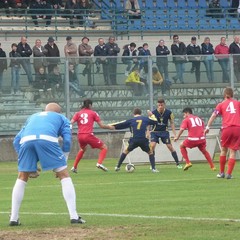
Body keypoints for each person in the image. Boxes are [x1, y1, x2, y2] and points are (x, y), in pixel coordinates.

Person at [9, 103, 86, 226]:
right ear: (59, 112)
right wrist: (63, 162)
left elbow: (16, 141)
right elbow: (67, 140)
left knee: (22, 177)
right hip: (47, 140)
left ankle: (13, 218)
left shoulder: (32, 117)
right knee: (64, 176)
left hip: (26, 141)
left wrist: (29, 164)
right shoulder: (62, 118)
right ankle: (74, 216)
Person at [107, 108, 159, 173]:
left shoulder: (131, 120)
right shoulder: (145, 119)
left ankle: (117, 166)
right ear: (140, 113)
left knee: (126, 151)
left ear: (133, 113)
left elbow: (121, 124)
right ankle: (153, 169)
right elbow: (155, 121)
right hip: (143, 139)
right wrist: (151, 115)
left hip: (134, 139)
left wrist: (110, 125)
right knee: (150, 152)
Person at [204, 87, 240, 179]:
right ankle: (229, 174)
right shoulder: (238, 103)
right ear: (232, 95)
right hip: (237, 129)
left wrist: (207, 127)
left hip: (226, 129)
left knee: (224, 150)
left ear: (224, 95)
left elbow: (213, 115)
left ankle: (221, 173)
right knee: (233, 151)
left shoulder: (221, 104)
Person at [71, 99, 110, 173]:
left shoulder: (78, 113)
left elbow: (71, 123)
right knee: (104, 147)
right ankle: (99, 163)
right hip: (88, 135)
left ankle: (74, 167)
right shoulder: (93, 113)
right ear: (90, 105)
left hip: (80, 136)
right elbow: (101, 125)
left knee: (82, 149)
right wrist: (109, 127)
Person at [148, 98, 182, 169]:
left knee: (170, 146)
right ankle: (152, 165)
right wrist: (148, 132)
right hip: (155, 132)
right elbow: (149, 123)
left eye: (162, 105)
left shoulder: (169, 112)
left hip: (164, 132)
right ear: (157, 105)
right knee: (152, 146)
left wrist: (175, 134)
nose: (160, 106)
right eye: (159, 105)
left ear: (164, 105)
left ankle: (178, 163)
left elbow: (172, 123)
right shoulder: (153, 112)